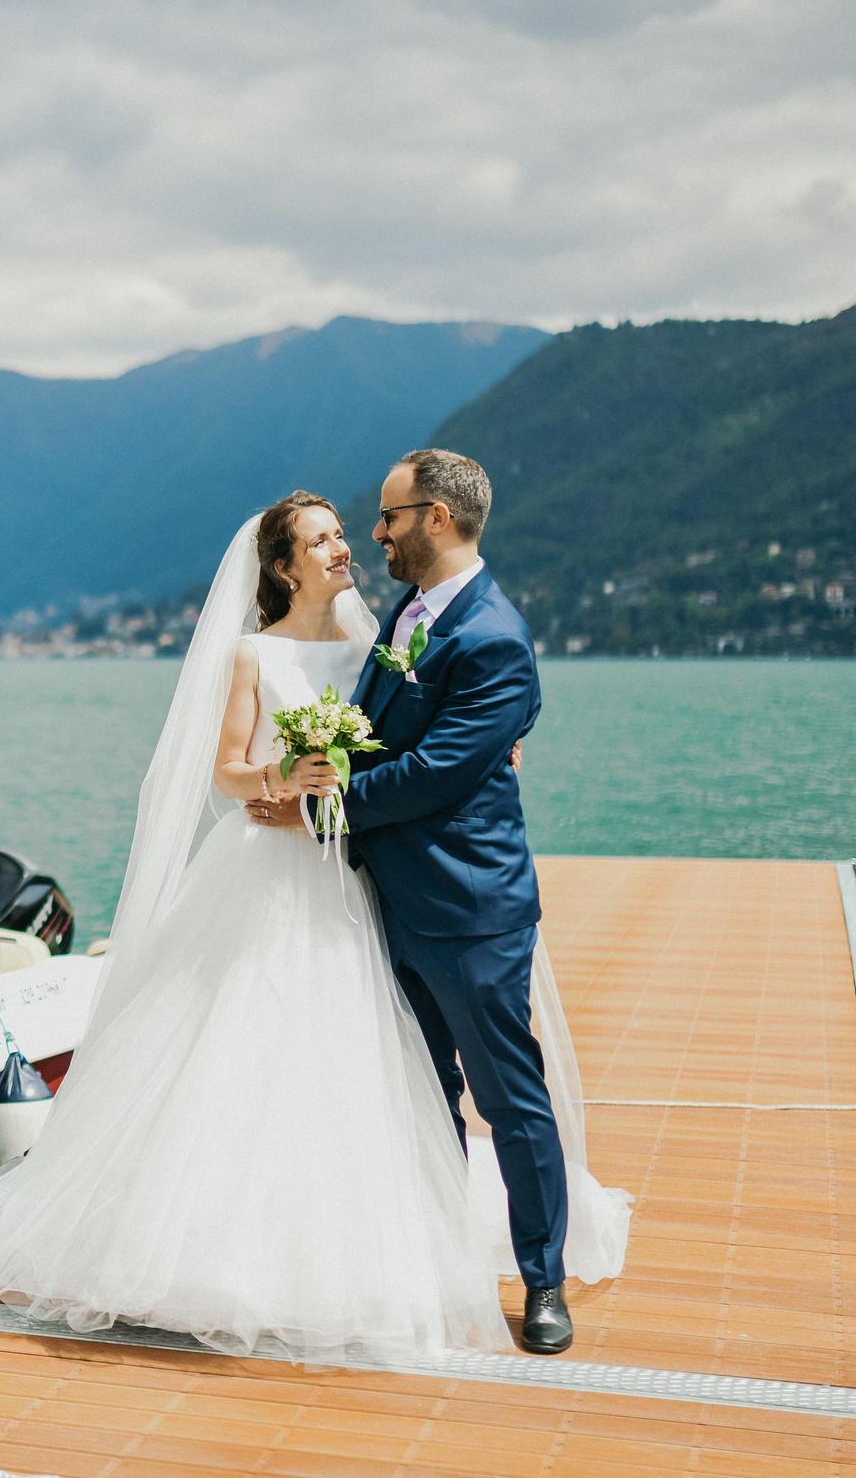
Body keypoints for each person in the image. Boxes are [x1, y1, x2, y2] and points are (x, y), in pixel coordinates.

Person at [0, 491, 510, 1363]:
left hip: (347, 874)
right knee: (235, 1038)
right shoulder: (251, 653)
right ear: (282, 565)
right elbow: (224, 771)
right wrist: (277, 776)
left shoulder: (377, 650)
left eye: (344, 533)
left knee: (344, 1050)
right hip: (261, 873)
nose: (344, 548)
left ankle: (344, 1245)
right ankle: (197, 1251)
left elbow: (420, 742)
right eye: (322, 539)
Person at [256, 447, 626, 1354]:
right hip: (387, 900)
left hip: (469, 908)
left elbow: (440, 769)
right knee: (423, 1094)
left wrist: (322, 809)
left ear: (437, 518)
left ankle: (542, 1281)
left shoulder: (494, 632)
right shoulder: (411, 619)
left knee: (509, 1098)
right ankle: (438, 1261)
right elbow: (386, 733)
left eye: (388, 516)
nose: (374, 532)